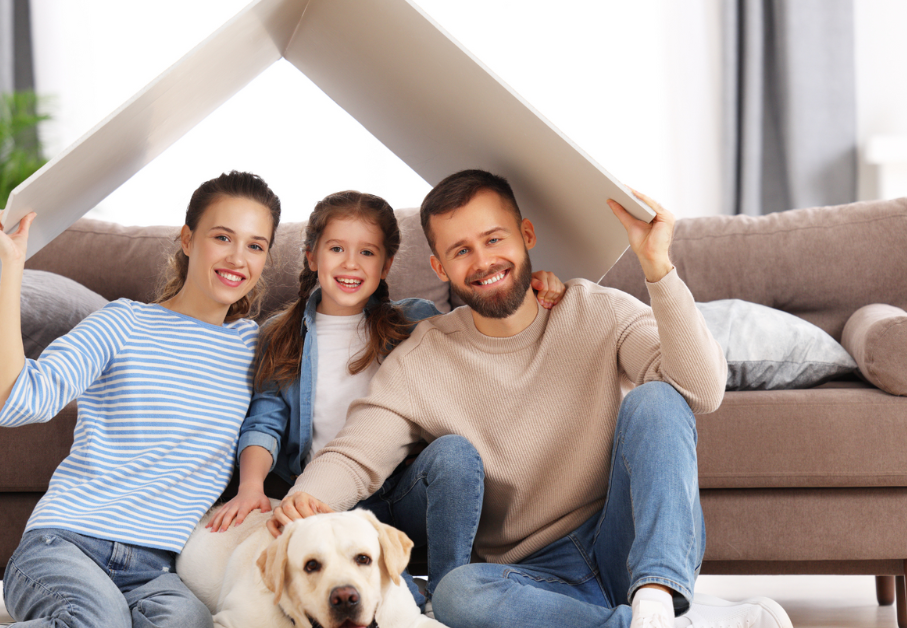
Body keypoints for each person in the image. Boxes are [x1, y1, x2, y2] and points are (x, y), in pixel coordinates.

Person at [268, 170, 793, 628]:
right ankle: (659, 624)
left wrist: (657, 266)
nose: (482, 261)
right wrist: (299, 506)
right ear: (438, 268)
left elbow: (701, 390)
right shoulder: (422, 357)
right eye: (461, 251)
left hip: (623, 545)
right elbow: (358, 452)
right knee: (455, 593)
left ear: (526, 236)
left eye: (494, 239)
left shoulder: (598, 311)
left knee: (658, 399)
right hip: (529, 580)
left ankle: (656, 603)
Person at [0, 171, 280, 628]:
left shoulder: (256, 347)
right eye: (223, 237)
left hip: (157, 569)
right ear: (188, 240)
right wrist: (13, 269)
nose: (237, 257)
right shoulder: (123, 323)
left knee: (189, 623)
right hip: (66, 544)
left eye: (255, 245)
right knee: (97, 622)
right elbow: (17, 400)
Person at [204, 190, 567, 610]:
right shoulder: (279, 334)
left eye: (368, 252)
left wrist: (534, 286)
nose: (351, 264)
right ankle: (415, 598)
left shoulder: (416, 320)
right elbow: (263, 423)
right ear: (311, 257)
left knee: (454, 453)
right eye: (337, 249)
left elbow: (486, 316)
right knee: (392, 604)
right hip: (335, 501)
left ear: (387, 264)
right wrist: (251, 487)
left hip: (406, 489)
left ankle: (453, 587)